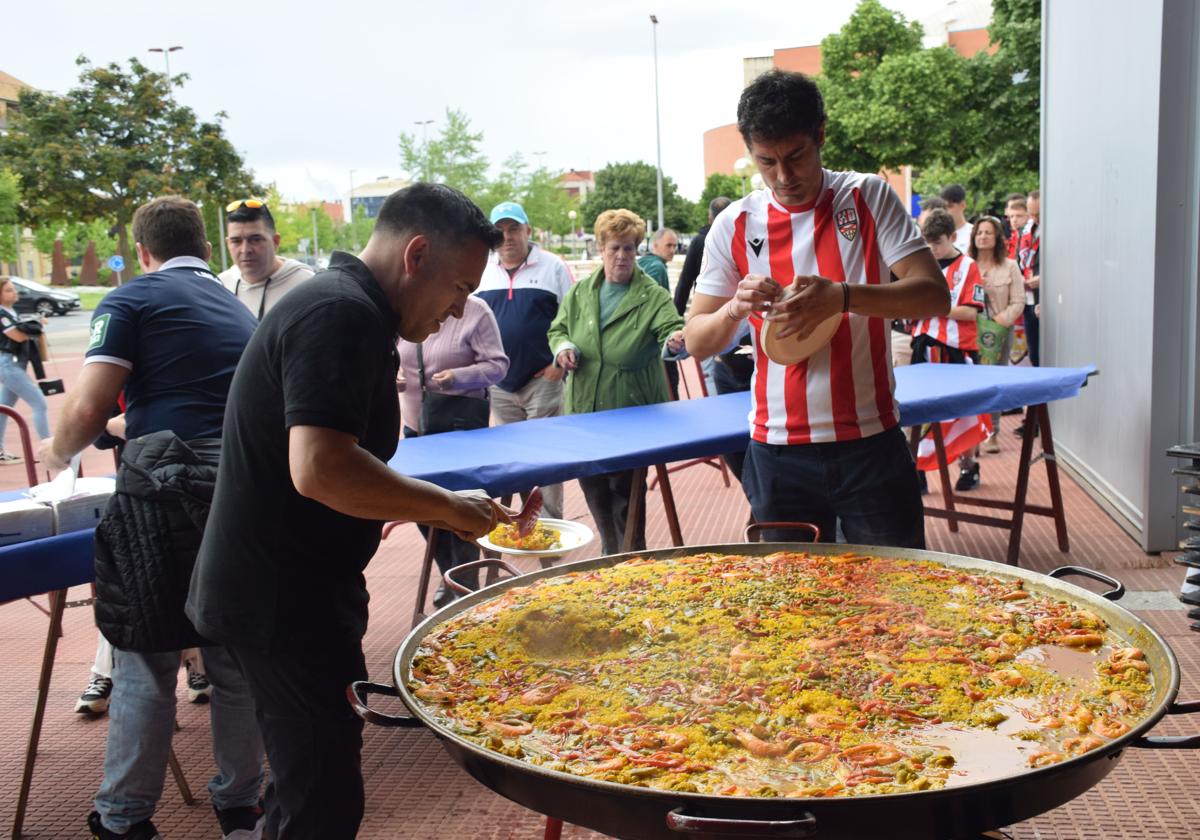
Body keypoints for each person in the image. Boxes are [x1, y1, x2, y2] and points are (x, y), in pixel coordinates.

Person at [186, 184, 512, 839]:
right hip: (280, 598)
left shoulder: (345, 306)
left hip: (292, 590)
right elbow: (321, 468)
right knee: (322, 804)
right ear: (416, 255)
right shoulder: (341, 312)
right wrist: (447, 509)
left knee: (306, 783)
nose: (457, 313)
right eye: (458, 289)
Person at [37, 196, 265, 840]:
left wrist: (55, 458)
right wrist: (127, 423)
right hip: (241, 497)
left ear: (142, 252)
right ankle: (241, 805)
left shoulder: (130, 301)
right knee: (231, 662)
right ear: (209, 249)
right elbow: (188, 402)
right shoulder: (232, 306)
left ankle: (124, 817)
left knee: (144, 661)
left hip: (165, 501)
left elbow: (82, 414)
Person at [683, 69, 948, 548]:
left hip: (871, 443)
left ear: (821, 134)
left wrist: (843, 296)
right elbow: (697, 339)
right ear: (750, 153)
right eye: (767, 162)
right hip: (777, 451)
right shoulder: (734, 223)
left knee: (898, 603)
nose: (783, 177)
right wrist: (734, 310)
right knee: (788, 614)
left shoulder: (867, 196)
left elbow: (934, 294)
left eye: (796, 156)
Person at [548, 209, 685, 555]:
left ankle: (631, 557)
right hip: (585, 411)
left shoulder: (652, 295)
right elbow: (558, 329)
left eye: (629, 248)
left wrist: (675, 341)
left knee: (626, 495)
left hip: (632, 413)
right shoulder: (581, 292)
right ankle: (612, 553)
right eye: (614, 249)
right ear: (601, 249)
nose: (622, 256)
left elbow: (671, 330)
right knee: (594, 488)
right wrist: (563, 347)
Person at [398, 295, 508, 607]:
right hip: (416, 429)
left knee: (464, 507)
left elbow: (498, 365)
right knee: (420, 506)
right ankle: (449, 571)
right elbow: (395, 354)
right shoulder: (410, 305)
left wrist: (458, 377)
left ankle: (466, 581)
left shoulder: (475, 311)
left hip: (460, 432)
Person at [475, 201, 574, 520]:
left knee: (544, 458)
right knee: (514, 460)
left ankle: (548, 529)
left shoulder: (552, 267)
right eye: (500, 230)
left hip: (542, 379)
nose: (507, 237)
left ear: (528, 231)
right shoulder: (482, 270)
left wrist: (557, 367)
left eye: (514, 228)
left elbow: (572, 317)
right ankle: (523, 525)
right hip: (500, 385)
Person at [910, 209, 987, 492]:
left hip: (956, 351)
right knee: (919, 411)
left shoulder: (968, 267)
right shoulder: (920, 266)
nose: (932, 250)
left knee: (964, 411)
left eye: (937, 243)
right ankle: (918, 469)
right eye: (927, 244)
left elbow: (970, 313)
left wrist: (932, 308)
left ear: (953, 237)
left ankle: (969, 466)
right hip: (923, 348)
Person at [969, 216, 1025, 452]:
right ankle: (972, 435)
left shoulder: (1010, 266)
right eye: (979, 232)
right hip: (970, 331)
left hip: (999, 332)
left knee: (994, 382)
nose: (983, 236)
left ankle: (992, 431)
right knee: (972, 383)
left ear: (997, 237)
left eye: (988, 232)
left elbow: (1018, 301)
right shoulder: (966, 265)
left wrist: (1000, 322)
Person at [218, 198, 314, 320]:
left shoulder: (306, 286)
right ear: (227, 244)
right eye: (236, 241)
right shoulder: (220, 286)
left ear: (276, 241)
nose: (245, 250)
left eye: (255, 239)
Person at [0, 278, 50, 463]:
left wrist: (33, 324)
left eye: (13, 289)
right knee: (39, 403)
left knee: (4, 408)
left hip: (13, 364)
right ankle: (49, 447)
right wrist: (37, 327)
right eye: (8, 290)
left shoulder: (10, 311)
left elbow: (22, 330)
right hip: (8, 364)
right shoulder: (1, 314)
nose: (14, 293)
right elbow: (17, 336)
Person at [636, 227, 677, 291]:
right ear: (655, 245)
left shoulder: (643, 261)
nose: (672, 250)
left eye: (674, 246)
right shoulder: (657, 267)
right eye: (668, 245)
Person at [940, 184, 973, 254]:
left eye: (950, 206)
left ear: (963, 205)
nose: (945, 211)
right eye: (943, 207)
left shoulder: (974, 234)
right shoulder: (938, 235)